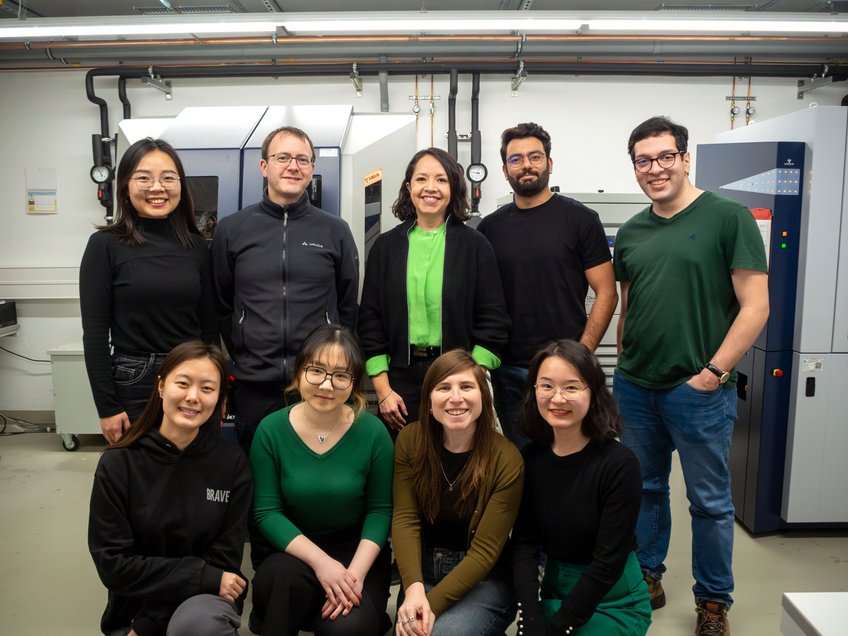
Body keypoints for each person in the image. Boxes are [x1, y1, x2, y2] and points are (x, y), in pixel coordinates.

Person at [614, 115, 769, 635]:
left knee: (709, 501)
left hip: (698, 391)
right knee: (646, 490)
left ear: (684, 158)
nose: (654, 168)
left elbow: (755, 306)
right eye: (643, 160)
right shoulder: (633, 230)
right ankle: (649, 576)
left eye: (664, 157)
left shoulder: (729, 217)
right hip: (636, 387)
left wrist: (713, 372)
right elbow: (630, 306)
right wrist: (622, 366)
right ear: (634, 167)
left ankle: (713, 602)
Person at [88, 341, 252, 636]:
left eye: (207, 388)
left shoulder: (232, 464)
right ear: (161, 386)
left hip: (206, 601)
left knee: (198, 627)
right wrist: (145, 623)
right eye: (183, 383)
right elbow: (113, 563)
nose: (193, 397)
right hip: (133, 611)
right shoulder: (117, 465)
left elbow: (224, 559)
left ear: (220, 400)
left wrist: (149, 625)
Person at [212, 126, 359, 452]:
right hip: (253, 385)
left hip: (317, 384)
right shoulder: (232, 230)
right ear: (264, 167)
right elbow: (221, 305)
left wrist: (331, 365)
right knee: (258, 476)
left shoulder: (335, 230)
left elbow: (347, 306)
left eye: (302, 160)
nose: (293, 166)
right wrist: (243, 350)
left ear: (311, 170)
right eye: (283, 158)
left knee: (313, 478)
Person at [478, 122, 617, 448]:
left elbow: (607, 292)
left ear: (549, 164)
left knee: (570, 461)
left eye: (535, 157)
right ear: (504, 169)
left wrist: (582, 355)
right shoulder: (489, 228)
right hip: (507, 370)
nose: (526, 164)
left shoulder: (580, 219)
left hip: (566, 369)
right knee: (518, 464)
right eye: (516, 159)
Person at [249, 324, 394, 636]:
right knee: (279, 584)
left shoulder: (374, 433)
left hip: (357, 555)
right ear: (299, 372)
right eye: (316, 371)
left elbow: (380, 510)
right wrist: (322, 564)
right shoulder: (270, 430)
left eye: (341, 375)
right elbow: (266, 511)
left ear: (354, 383)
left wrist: (351, 575)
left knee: (347, 628)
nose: (327, 385)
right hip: (295, 552)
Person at [358, 147, 509, 430]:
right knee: (407, 462)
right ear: (409, 187)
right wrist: (383, 391)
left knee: (458, 463)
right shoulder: (386, 247)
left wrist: (469, 380)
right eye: (421, 179)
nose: (431, 187)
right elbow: (370, 321)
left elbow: (494, 321)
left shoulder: (475, 246)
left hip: (457, 375)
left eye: (441, 180)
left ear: (453, 187)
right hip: (399, 381)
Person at [80, 138, 218, 445]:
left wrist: (217, 388)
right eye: (144, 178)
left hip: (191, 376)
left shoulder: (196, 247)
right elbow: (95, 335)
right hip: (134, 380)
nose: (157, 187)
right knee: (138, 477)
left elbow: (209, 327)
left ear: (181, 186)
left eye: (168, 178)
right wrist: (107, 406)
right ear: (126, 186)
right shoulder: (105, 245)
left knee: (191, 472)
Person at [512, 340, 651, 636]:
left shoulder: (620, 464)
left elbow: (607, 563)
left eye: (571, 387)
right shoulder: (530, 459)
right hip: (554, 591)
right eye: (546, 386)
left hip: (614, 598)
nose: (557, 399)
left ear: (594, 393)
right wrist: (530, 614)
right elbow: (524, 545)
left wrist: (560, 627)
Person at [392, 349, 523, 636]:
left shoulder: (506, 458)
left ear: (483, 398)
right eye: (443, 388)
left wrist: (428, 606)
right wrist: (414, 590)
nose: (455, 397)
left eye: (466, 387)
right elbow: (405, 519)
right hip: (422, 571)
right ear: (429, 401)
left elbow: (485, 553)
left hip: (485, 579)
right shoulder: (410, 441)